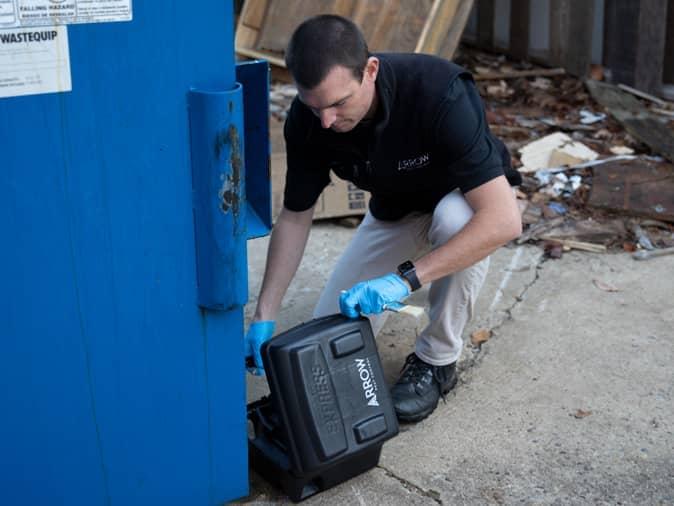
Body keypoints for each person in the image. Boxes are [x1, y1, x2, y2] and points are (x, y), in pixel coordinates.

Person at [244, 14, 522, 423]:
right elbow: (296, 217)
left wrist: (405, 279)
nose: (327, 121)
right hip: (396, 210)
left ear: (370, 70)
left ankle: (436, 360)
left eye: (339, 103)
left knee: (456, 221)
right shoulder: (310, 121)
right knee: (327, 335)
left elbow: (503, 220)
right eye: (314, 105)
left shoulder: (437, 90)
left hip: (463, 201)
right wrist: (264, 313)